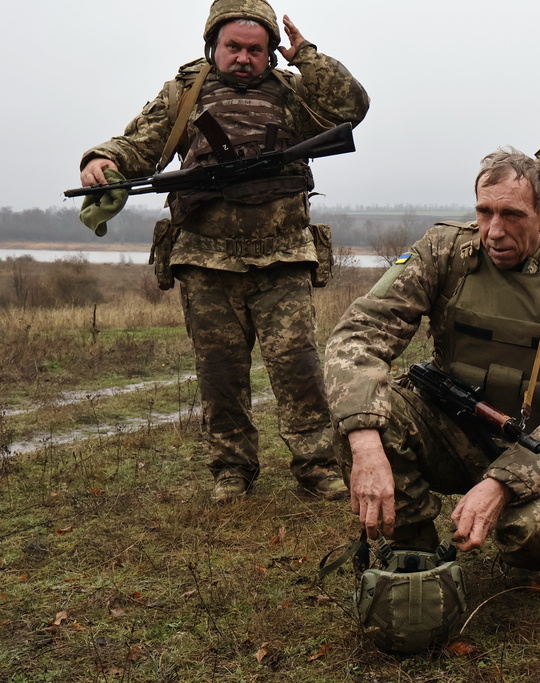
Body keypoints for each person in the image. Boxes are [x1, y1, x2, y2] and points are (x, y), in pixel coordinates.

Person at [78, 0, 370, 502]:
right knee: (220, 375)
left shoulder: (294, 91)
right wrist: (102, 158)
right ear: (213, 44)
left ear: (270, 51)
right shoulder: (183, 94)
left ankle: (318, 466)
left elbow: (351, 109)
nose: (243, 58)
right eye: (233, 46)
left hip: (283, 258)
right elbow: (139, 145)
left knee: (299, 370)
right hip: (206, 261)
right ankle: (232, 470)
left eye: (255, 50)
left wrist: (308, 56)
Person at [324, 149, 540, 570]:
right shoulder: (445, 252)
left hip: (538, 447)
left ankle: (510, 531)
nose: (494, 231)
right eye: (485, 212)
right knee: (358, 413)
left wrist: (503, 484)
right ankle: (414, 545)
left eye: (512, 215)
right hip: (450, 428)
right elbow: (360, 334)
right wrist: (366, 444)